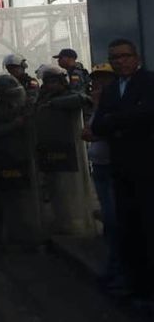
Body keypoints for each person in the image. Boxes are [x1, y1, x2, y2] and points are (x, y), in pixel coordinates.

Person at [91, 39, 154, 305]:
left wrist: (115, 121)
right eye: (114, 57)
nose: (120, 61)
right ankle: (135, 285)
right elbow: (99, 126)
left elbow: (147, 115)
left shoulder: (149, 82)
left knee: (149, 228)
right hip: (121, 169)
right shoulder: (110, 90)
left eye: (124, 56)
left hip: (147, 169)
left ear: (136, 57)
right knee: (128, 229)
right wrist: (122, 119)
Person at [32, 65, 88, 237]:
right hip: (47, 148)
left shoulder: (68, 95)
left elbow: (83, 99)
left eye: (54, 81)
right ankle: (60, 222)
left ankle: (74, 225)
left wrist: (53, 103)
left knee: (68, 191)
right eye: (47, 82)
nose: (50, 85)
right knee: (54, 190)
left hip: (66, 150)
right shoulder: (42, 97)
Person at [81, 62, 123, 291]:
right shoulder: (98, 103)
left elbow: (102, 132)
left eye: (104, 79)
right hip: (100, 167)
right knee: (110, 221)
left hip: (113, 167)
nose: (99, 83)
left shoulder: (115, 103)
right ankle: (113, 267)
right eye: (97, 79)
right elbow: (89, 130)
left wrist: (94, 134)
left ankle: (118, 270)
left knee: (116, 221)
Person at [0, 75, 37, 249]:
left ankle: (25, 236)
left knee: (23, 200)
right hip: (1, 159)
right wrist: (15, 124)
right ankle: (3, 237)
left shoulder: (23, 106)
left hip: (21, 158)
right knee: (1, 201)